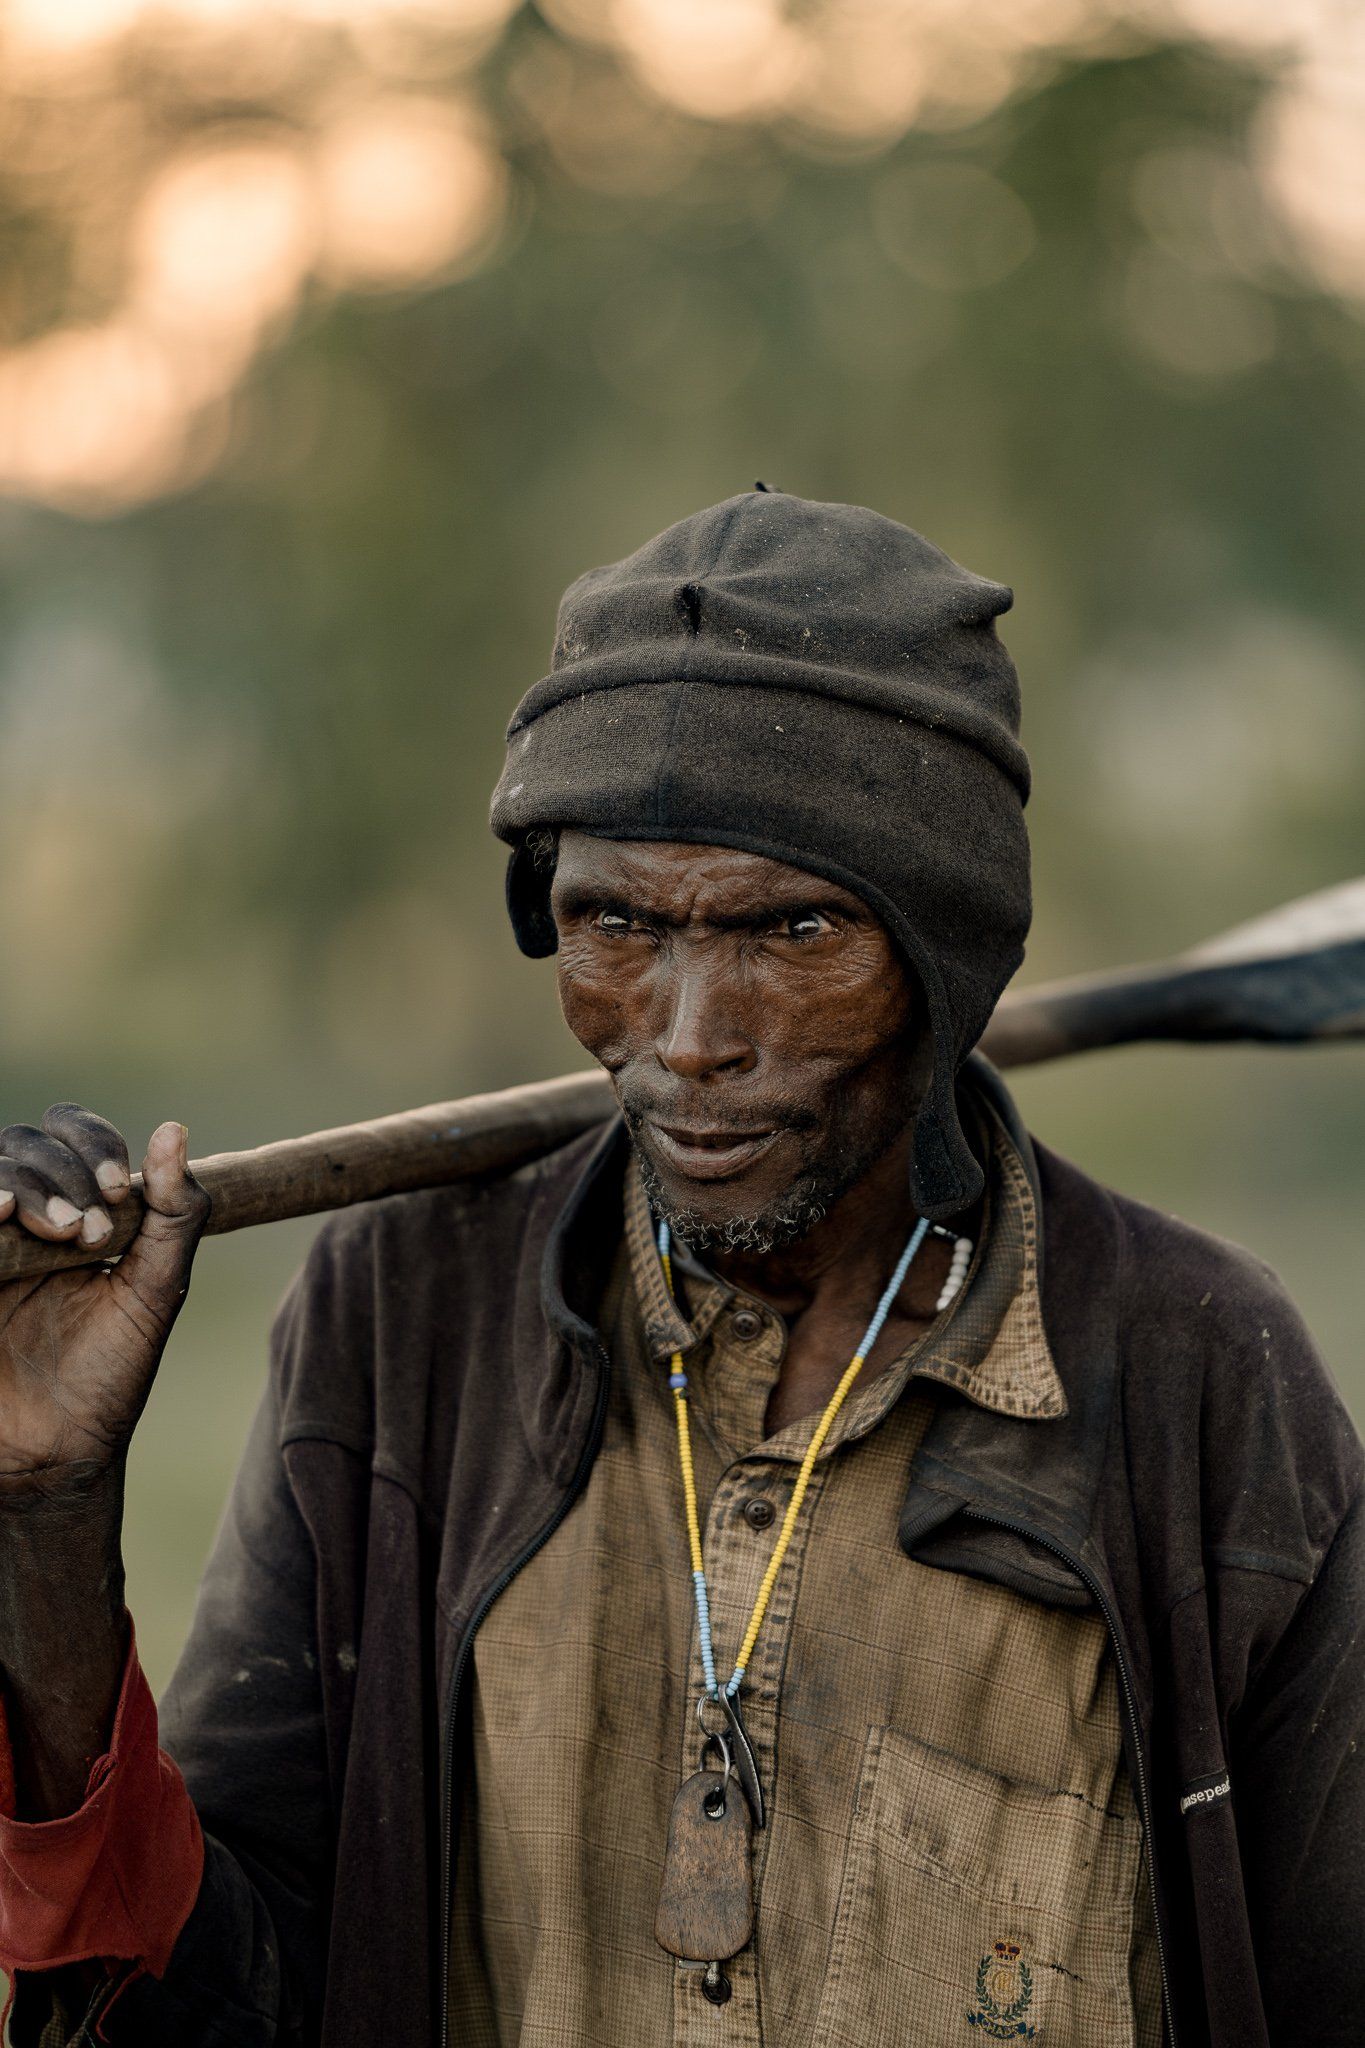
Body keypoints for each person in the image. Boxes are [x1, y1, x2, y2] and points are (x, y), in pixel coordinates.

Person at [0, 489, 1359, 2048]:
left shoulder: (1193, 1369)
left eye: (791, 930)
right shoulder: (402, 1321)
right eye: (615, 925)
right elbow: (213, 1999)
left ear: (942, 958)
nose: (691, 1036)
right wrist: (43, 1514)